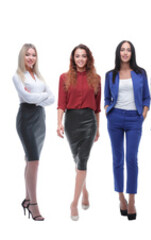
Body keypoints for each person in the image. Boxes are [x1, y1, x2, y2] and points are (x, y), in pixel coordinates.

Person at [103, 40, 150, 221]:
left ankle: (131, 200)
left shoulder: (140, 73)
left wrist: (143, 115)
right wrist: (108, 110)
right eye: (122, 50)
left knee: (131, 158)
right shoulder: (110, 75)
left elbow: (147, 97)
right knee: (117, 159)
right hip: (114, 118)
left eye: (128, 50)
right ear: (118, 52)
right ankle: (120, 197)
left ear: (132, 53)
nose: (125, 53)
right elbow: (107, 97)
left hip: (134, 119)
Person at [57, 44, 102, 221]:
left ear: (88, 58)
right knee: (77, 160)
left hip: (89, 122)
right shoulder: (64, 77)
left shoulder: (96, 78)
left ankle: (73, 203)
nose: (81, 59)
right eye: (78, 56)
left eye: (84, 56)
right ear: (73, 58)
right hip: (71, 123)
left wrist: (98, 128)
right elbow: (61, 103)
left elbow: (98, 108)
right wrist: (58, 123)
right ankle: (84, 191)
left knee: (82, 159)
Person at [15, 43, 55, 221]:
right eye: (27, 55)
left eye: (33, 55)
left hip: (40, 119)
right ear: (22, 57)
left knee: (30, 161)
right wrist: (42, 98)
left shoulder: (39, 77)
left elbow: (52, 98)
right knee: (34, 161)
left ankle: (26, 198)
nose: (31, 58)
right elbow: (27, 98)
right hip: (26, 119)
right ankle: (33, 204)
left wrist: (38, 100)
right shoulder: (18, 76)